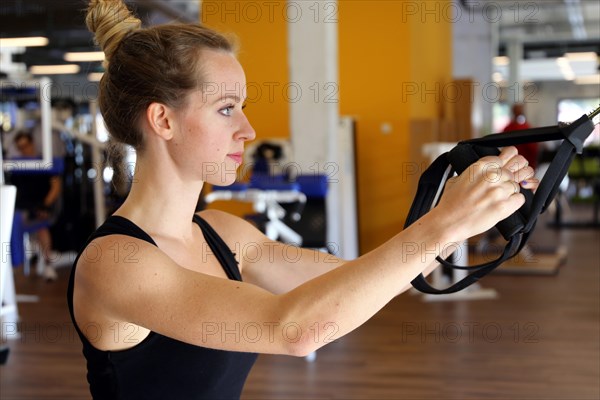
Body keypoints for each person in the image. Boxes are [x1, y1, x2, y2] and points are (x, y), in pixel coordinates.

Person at [68, 1, 539, 399]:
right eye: (226, 108)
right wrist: (444, 225)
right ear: (163, 121)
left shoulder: (222, 233)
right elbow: (293, 329)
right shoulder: (115, 261)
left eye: (243, 108)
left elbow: (356, 280)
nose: (248, 131)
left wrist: (468, 209)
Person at [10, 131, 62, 281]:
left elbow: (55, 186)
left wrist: (45, 205)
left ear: (31, 144)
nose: (23, 149)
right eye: (20, 147)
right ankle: (15, 264)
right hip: (22, 207)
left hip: (41, 205)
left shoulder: (44, 162)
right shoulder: (16, 165)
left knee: (42, 228)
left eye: (25, 145)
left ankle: (47, 265)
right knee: (12, 223)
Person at [503, 102, 539, 169]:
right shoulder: (508, 128)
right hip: (511, 162)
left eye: (520, 110)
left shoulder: (527, 127)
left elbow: (533, 148)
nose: (519, 112)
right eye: (517, 110)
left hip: (526, 161)